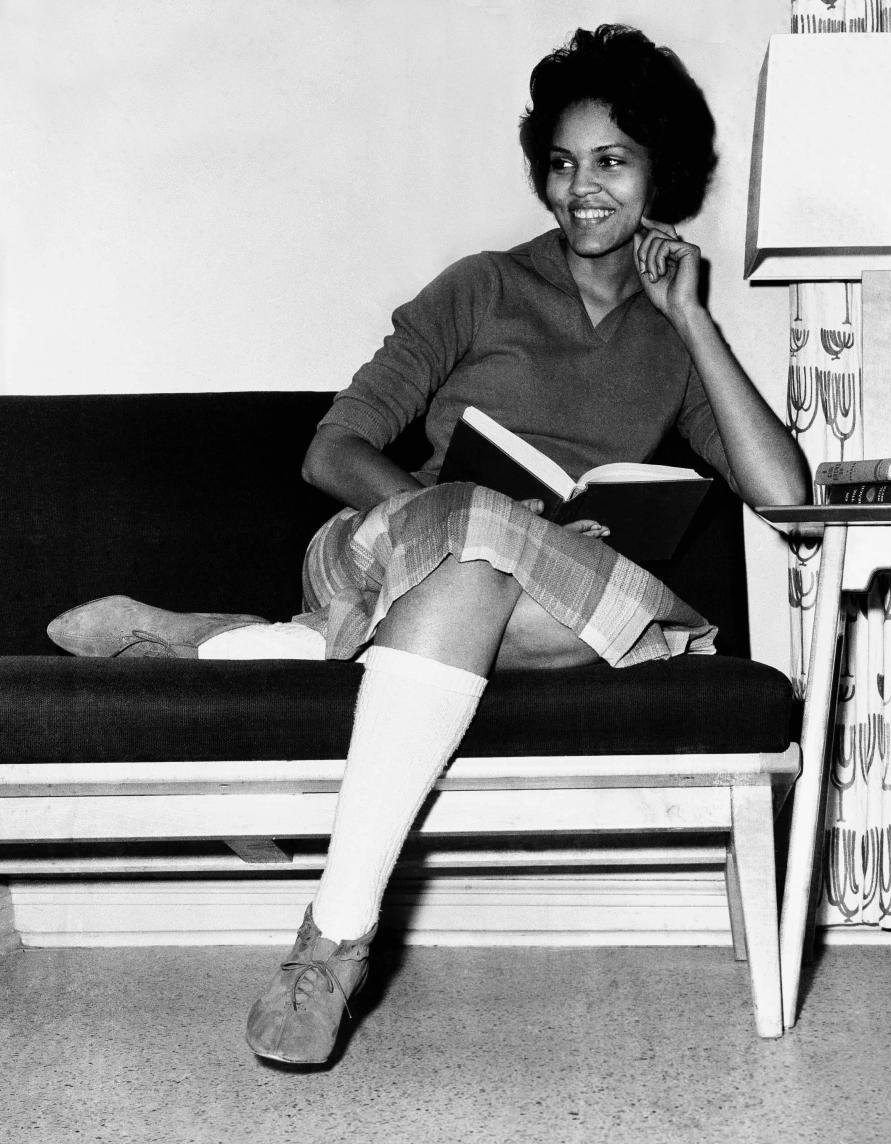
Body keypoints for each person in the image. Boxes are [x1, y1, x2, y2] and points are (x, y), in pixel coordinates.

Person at [47, 24, 808, 1066]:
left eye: (613, 162)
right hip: (378, 550)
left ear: (658, 173)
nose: (582, 190)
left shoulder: (667, 343)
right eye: (563, 164)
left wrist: (696, 323)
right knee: (476, 538)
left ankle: (213, 646)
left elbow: (784, 491)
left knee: (501, 563)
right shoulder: (483, 288)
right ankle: (335, 940)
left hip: (545, 606)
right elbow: (334, 446)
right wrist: (453, 512)